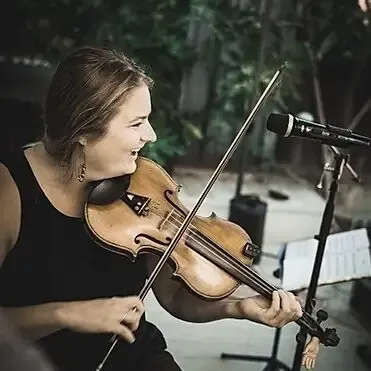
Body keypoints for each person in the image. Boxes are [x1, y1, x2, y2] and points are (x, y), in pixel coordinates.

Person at [0, 45, 304, 371]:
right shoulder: (9, 191)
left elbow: (173, 297)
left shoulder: (137, 182)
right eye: (136, 123)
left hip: (134, 356)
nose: (152, 135)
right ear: (84, 130)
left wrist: (238, 308)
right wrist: (67, 314)